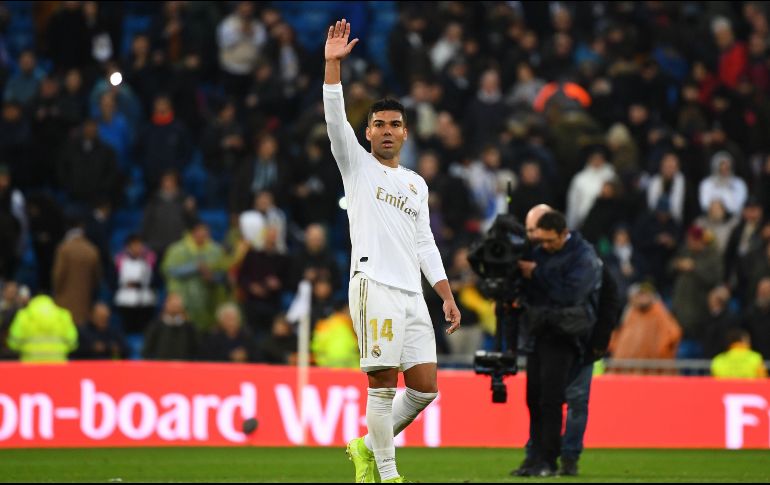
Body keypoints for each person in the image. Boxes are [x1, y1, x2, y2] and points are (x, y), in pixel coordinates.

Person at [324, 19, 461, 484]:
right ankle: (385, 473)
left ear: (405, 134)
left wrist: (445, 293)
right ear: (367, 134)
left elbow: (425, 242)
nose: (386, 130)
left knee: (424, 390)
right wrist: (332, 68)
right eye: (378, 124)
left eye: (394, 125)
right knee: (382, 384)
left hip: (412, 294)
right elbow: (333, 118)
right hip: (374, 284)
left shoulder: (415, 184)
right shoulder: (356, 167)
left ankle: (366, 444)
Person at [512, 205, 620, 477]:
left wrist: (536, 274)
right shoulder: (539, 251)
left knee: (563, 400)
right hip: (541, 330)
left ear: (564, 233)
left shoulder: (584, 257)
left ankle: (559, 459)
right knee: (534, 398)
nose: (544, 245)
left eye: (550, 240)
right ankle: (535, 458)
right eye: (540, 239)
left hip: (571, 336)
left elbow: (572, 293)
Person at [7, 294, 78, 362]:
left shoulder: (23, 316)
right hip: (57, 365)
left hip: (29, 366)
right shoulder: (62, 316)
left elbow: (13, 343)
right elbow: (73, 343)